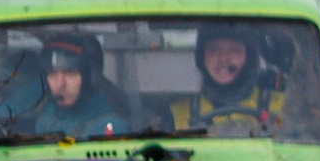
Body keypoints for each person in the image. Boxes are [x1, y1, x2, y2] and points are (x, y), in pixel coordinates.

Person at [162, 26, 290, 135]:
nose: (223, 58)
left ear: (249, 57)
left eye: (234, 50)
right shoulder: (175, 115)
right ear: (202, 56)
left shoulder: (280, 106)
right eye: (214, 49)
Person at [16, 31, 134, 138]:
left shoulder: (110, 127)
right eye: (52, 74)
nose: (59, 84)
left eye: (70, 73)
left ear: (90, 78)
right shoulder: (47, 115)